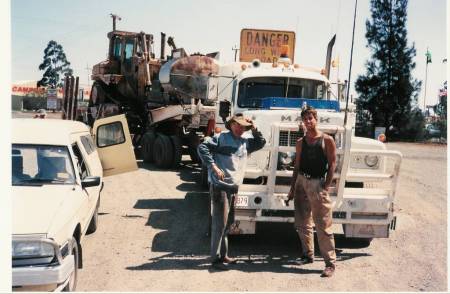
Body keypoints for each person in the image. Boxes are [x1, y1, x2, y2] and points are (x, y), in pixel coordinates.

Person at [198, 113, 266, 271]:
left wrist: (254, 127)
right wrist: (213, 166)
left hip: (233, 188)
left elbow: (261, 142)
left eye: (243, 126)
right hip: (220, 186)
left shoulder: (244, 143)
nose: (240, 128)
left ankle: (224, 255)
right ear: (231, 124)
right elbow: (202, 147)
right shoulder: (221, 138)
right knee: (219, 224)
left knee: (227, 224)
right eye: (238, 125)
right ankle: (215, 260)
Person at [287, 106, 337, 278]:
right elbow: (297, 166)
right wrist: (293, 188)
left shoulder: (326, 140)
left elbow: (332, 164)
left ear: (316, 119)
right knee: (302, 221)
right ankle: (307, 255)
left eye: (311, 118)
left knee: (323, 225)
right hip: (301, 181)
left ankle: (330, 263)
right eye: (305, 119)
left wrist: (326, 186)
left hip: (317, 184)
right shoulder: (301, 142)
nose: (308, 121)